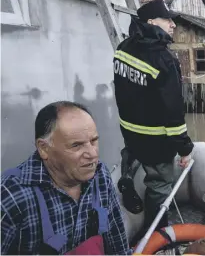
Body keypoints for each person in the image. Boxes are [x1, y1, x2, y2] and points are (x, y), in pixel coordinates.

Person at [0, 101, 131, 255]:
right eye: (77, 145)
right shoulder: (11, 195)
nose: (93, 154)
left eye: (93, 141)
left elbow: (119, 250)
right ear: (44, 148)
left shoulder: (100, 177)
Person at [113, 0, 194, 231]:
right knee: (159, 185)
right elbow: (173, 112)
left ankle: (127, 174)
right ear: (151, 22)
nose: (173, 25)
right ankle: (157, 231)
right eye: (167, 19)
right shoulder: (164, 59)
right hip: (157, 140)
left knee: (134, 152)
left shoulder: (123, 48)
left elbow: (123, 90)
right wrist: (184, 149)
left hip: (129, 130)